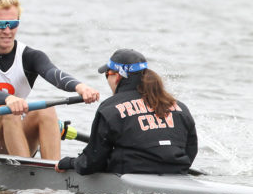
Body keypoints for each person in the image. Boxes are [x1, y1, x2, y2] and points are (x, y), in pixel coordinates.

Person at [0, 0, 100, 159]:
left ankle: (53, 171)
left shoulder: (30, 55)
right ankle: (27, 173)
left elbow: (53, 73)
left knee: (45, 110)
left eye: (13, 24)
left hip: (16, 134)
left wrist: (80, 87)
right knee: (8, 111)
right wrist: (8, 99)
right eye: (0, 24)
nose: (7, 30)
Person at [57, 49, 197, 174]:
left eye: (107, 74)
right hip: (177, 174)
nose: (107, 79)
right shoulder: (180, 107)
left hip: (132, 183)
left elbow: (92, 162)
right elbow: (191, 150)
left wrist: (70, 163)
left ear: (118, 76)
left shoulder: (110, 108)